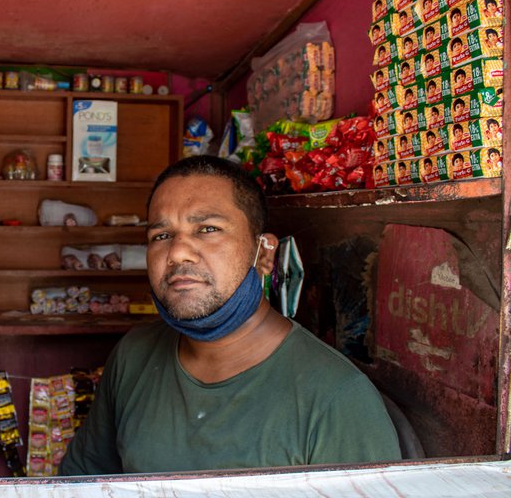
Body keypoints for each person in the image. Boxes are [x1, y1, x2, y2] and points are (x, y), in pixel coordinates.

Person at [58, 157, 402, 475]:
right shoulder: (134, 355)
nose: (177, 252)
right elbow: (81, 481)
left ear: (265, 254)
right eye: (161, 236)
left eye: (207, 229)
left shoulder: (337, 397)